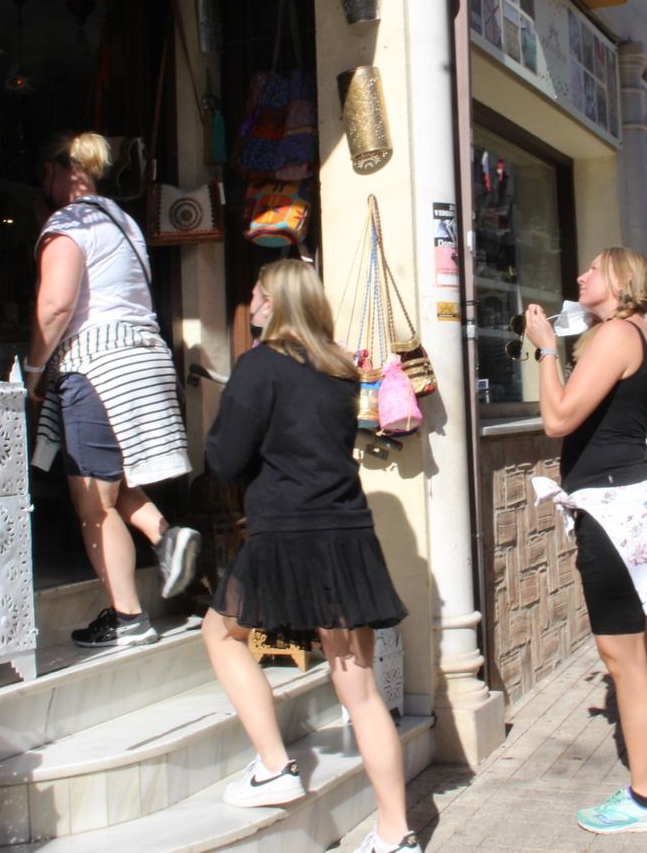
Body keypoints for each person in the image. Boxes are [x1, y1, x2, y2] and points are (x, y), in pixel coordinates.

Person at [202, 260, 416, 853]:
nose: (251, 303)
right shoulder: (340, 370)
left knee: (221, 634)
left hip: (285, 533)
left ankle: (275, 765)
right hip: (347, 533)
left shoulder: (259, 366)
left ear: (277, 302)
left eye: (257, 293)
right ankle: (395, 834)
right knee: (361, 690)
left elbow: (225, 458)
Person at [522, 248, 647, 836]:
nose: (580, 276)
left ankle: (645, 798)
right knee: (642, 643)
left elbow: (558, 419)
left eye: (592, 270)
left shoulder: (614, 336)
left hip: (611, 510)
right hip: (630, 499)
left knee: (621, 660)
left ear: (620, 281)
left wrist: (546, 349)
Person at [27, 131, 200, 648]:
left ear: (54, 172)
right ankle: (167, 537)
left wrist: (33, 371)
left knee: (92, 501)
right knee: (108, 481)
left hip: (97, 364)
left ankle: (129, 618)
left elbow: (56, 306)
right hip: (142, 359)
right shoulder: (122, 221)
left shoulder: (70, 224)